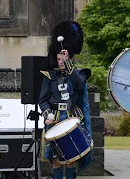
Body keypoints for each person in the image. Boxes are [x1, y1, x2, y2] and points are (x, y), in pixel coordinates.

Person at [39, 21, 93, 179]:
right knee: (56, 159)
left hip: (70, 117)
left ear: (69, 57)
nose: (60, 61)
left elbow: (78, 84)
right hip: (54, 119)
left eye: (63, 58)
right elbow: (43, 100)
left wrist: (69, 65)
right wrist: (47, 114)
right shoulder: (49, 77)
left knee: (70, 158)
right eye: (59, 58)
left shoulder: (79, 74)